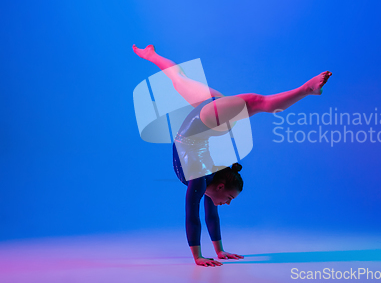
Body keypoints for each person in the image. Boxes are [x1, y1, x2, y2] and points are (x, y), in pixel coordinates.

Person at [133, 44, 331, 266]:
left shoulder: (200, 181)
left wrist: (205, 255)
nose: (227, 203)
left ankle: (307, 89)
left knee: (183, 80)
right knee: (183, 80)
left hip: (206, 115)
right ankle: (306, 90)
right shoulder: (203, 179)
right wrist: (207, 253)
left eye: (229, 199)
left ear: (219, 186)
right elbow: (206, 217)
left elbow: (195, 216)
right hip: (209, 118)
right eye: (230, 199)